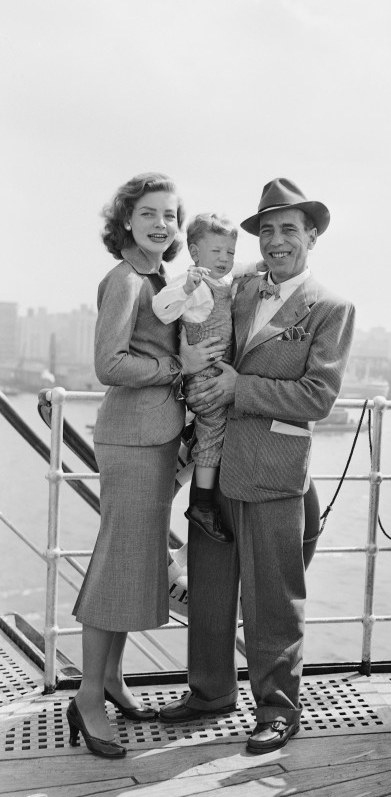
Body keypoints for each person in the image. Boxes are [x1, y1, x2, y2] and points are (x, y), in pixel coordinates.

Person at [160, 177, 355, 754]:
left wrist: (239, 386)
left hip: (273, 470)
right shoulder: (237, 289)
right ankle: (209, 694)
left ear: (311, 236)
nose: (275, 240)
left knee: (274, 598)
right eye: (266, 229)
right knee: (212, 590)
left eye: (288, 229)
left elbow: (318, 397)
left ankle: (276, 709)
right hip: (212, 467)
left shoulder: (331, 308)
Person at [68, 173, 220, 758]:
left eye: (171, 216)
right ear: (126, 220)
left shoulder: (159, 278)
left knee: (133, 561)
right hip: (131, 438)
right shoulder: (125, 279)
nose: (163, 225)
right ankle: (87, 696)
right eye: (150, 213)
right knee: (118, 562)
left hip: (155, 437)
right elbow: (109, 363)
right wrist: (175, 371)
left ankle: (111, 678)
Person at [152, 213, 263, 542]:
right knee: (214, 435)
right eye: (217, 252)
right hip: (205, 377)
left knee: (216, 431)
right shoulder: (195, 285)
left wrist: (256, 265)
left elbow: (239, 271)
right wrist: (185, 288)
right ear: (195, 252)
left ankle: (204, 490)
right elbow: (162, 308)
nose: (225, 259)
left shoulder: (222, 281)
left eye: (229, 252)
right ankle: (201, 504)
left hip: (217, 371)